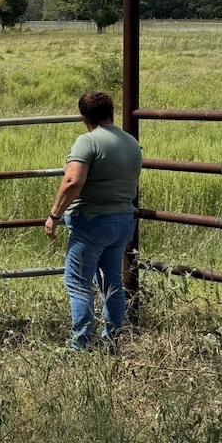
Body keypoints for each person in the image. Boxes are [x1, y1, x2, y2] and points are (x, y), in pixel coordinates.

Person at [45, 91, 143, 352]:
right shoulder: (131, 142)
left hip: (92, 220)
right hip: (123, 220)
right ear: (111, 112)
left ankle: (81, 345)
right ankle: (112, 342)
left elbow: (72, 181)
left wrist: (55, 214)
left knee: (78, 283)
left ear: (83, 117)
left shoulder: (87, 142)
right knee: (112, 282)